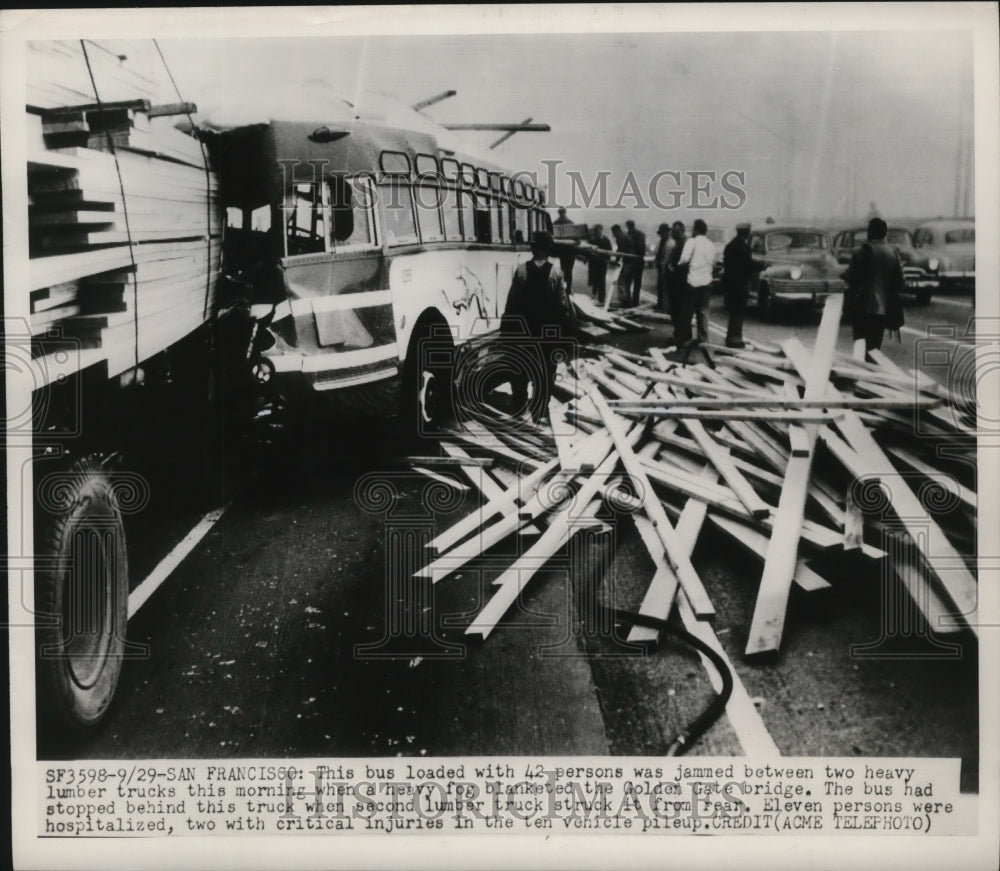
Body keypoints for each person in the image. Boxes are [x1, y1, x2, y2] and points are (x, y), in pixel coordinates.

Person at [501, 230, 578, 421]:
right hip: (547, 331)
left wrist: (507, 329)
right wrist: (566, 332)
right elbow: (562, 305)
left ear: (533, 248)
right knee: (546, 370)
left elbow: (511, 301)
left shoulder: (521, 270)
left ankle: (519, 405)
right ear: (549, 249)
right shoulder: (556, 272)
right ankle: (540, 410)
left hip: (524, 330)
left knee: (519, 368)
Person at [842, 217, 905, 352]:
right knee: (875, 347)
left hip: (863, 307)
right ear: (884, 233)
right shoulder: (893, 253)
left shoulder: (861, 251)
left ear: (870, 232)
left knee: (860, 347)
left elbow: (853, 278)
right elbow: (900, 281)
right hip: (883, 309)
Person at [721, 222, 765, 348]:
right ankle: (735, 339)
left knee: (734, 312)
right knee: (738, 312)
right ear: (747, 233)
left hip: (731, 284)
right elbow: (748, 264)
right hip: (741, 284)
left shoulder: (730, 246)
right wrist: (762, 265)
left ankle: (732, 337)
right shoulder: (743, 247)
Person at [676, 218, 716, 346]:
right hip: (707, 282)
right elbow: (713, 262)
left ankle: (686, 338)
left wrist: (678, 265)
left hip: (692, 282)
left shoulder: (691, 242)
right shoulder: (711, 244)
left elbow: (684, 259)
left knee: (687, 311)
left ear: (696, 230)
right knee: (703, 312)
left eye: (693, 229)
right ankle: (703, 339)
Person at [664, 221, 688, 333]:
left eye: (675, 231)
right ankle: (679, 333)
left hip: (680, 281)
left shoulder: (684, 244)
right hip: (676, 281)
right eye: (673, 231)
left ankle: (680, 334)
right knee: (676, 309)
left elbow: (683, 264)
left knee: (679, 309)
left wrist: (672, 269)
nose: (673, 234)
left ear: (682, 231)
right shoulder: (678, 243)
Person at [587, 224, 612, 304]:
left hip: (602, 263)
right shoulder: (593, 239)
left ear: (602, 230)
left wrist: (607, 259)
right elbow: (588, 249)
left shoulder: (606, 240)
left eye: (600, 230)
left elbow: (609, 250)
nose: (598, 232)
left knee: (601, 280)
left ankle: (601, 298)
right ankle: (594, 295)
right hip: (594, 263)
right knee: (594, 280)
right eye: (597, 230)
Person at [553, 207, 576, 292]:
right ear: (565, 212)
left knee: (563, 270)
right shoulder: (571, 223)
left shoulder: (555, 223)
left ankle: (564, 288)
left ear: (559, 213)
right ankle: (568, 289)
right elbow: (575, 238)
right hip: (570, 251)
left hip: (562, 252)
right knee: (569, 271)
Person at [610, 225, 635, 307]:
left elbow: (621, 250)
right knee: (627, 283)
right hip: (631, 261)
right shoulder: (624, 235)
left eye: (613, 232)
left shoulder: (620, 237)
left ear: (616, 231)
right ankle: (628, 301)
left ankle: (625, 301)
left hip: (628, 262)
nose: (613, 234)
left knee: (622, 281)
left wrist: (616, 260)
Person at [625, 220, 647, 307]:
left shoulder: (629, 235)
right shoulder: (640, 234)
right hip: (638, 261)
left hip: (633, 261)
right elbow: (642, 249)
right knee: (637, 282)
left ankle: (630, 301)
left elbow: (640, 248)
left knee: (629, 282)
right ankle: (635, 301)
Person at [653, 223, 671, 312]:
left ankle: (666, 307)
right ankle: (660, 304)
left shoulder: (669, 242)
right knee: (660, 286)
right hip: (661, 266)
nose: (660, 235)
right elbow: (658, 253)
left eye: (662, 233)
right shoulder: (662, 241)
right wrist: (657, 261)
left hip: (666, 268)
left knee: (665, 288)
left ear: (666, 232)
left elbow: (667, 257)